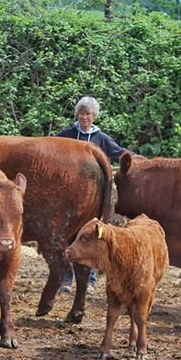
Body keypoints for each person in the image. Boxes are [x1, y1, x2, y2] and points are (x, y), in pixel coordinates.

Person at [55, 96, 129, 295]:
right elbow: (51, 150)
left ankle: (90, 280)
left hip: (93, 197)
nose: (85, 117)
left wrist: (136, 160)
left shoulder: (101, 138)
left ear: (94, 116)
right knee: (68, 236)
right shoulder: (66, 135)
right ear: (77, 114)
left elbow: (118, 152)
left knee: (93, 236)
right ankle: (67, 279)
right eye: (82, 113)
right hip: (68, 195)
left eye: (88, 114)